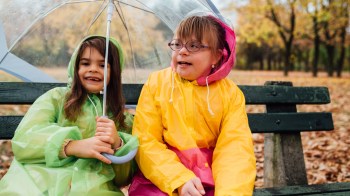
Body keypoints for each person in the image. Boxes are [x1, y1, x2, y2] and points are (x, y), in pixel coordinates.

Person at [129, 15, 256, 196]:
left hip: (210, 179)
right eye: (177, 44)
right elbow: (146, 141)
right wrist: (179, 180)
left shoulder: (230, 94)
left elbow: (235, 150)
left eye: (194, 46)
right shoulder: (157, 83)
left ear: (217, 56)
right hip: (162, 177)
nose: (182, 51)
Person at [0, 36, 138, 195]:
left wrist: (118, 145)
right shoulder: (56, 99)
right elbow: (25, 140)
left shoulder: (119, 118)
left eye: (102, 65)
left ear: (114, 72)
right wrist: (72, 146)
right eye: (85, 63)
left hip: (93, 187)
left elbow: (123, 179)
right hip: (40, 179)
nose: (93, 69)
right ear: (75, 66)